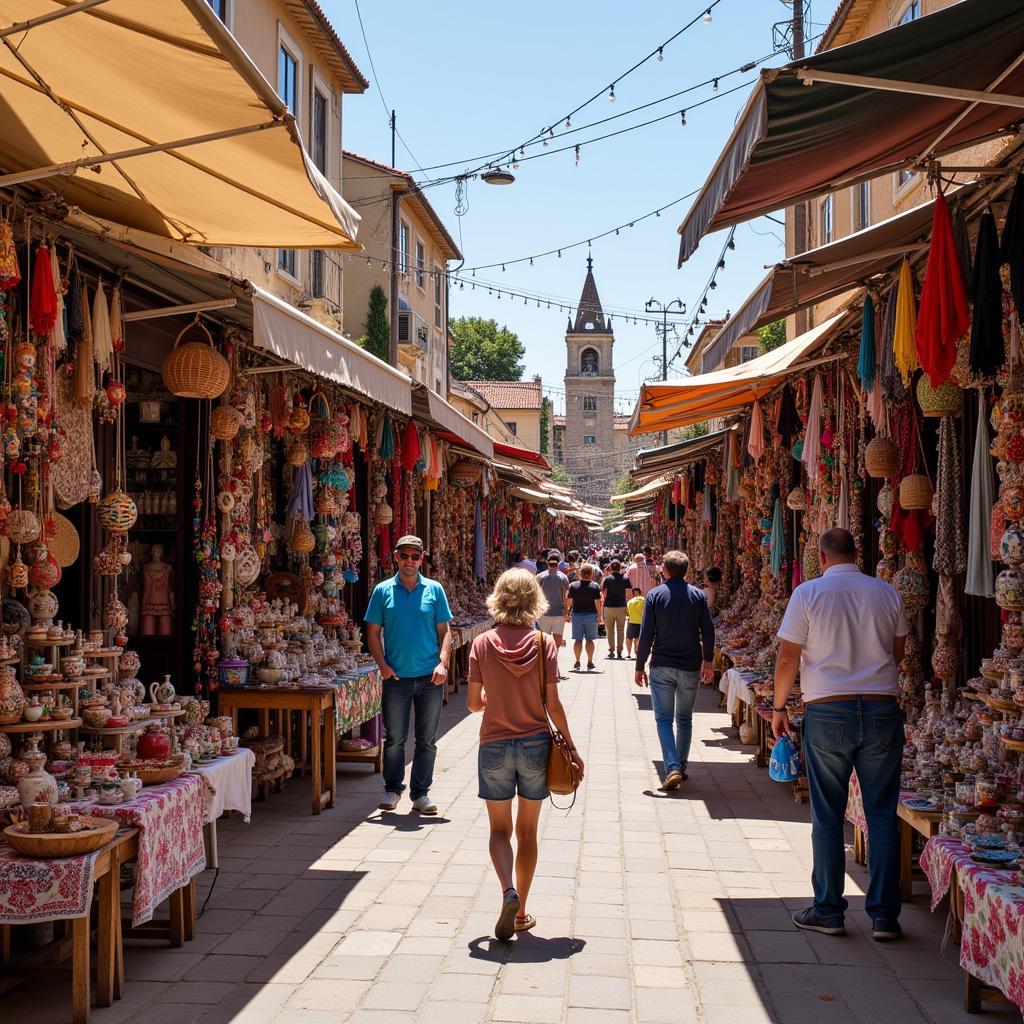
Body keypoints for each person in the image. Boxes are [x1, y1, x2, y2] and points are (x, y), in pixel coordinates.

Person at [773, 527, 908, 942]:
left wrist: (779, 708)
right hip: (882, 707)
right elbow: (898, 650)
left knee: (827, 813)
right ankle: (884, 916)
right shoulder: (886, 592)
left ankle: (830, 909)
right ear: (857, 554)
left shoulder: (808, 593)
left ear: (822, 556)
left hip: (828, 711)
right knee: (882, 814)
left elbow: (789, 655)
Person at [467, 569, 584, 940]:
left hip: (494, 745)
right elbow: (553, 702)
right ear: (534, 599)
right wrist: (573, 747)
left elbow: (473, 704)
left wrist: (492, 698)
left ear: (499, 598)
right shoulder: (543, 642)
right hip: (535, 745)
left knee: (499, 830)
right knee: (527, 832)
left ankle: (507, 892)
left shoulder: (482, 644)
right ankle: (522, 914)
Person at [365, 535, 453, 814]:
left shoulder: (435, 590)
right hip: (396, 679)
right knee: (394, 739)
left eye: (415, 556)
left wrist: (443, 662)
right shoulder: (382, 591)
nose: (410, 561)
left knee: (426, 740)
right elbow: (372, 633)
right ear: (395, 557)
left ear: (421, 559)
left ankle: (421, 794)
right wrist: (382, 665)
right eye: (405, 556)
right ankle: (392, 790)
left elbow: (445, 631)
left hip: (429, 678)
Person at [635, 550, 714, 790]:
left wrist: (639, 665)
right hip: (690, 665)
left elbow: (646, 633)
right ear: (686, 571)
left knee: (663, 719)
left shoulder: (655, 596)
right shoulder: (698, 596)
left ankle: (672, 767)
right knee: (684, 719)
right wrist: (708, 661)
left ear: (665, 570)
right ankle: (679, 765)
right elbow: (708, 631)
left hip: (662, 665)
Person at [536, 555, 570, 678]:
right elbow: (567, 596)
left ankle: (544, 667)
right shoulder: (563, 577)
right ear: (558, 563)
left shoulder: (540, 576)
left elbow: (535, 593)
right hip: (559, 613)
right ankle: (554, 666)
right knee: (557, 641)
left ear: (547, 563)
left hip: (543, 613)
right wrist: (567, 611)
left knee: (543, 641)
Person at [565, 563, 602, 672]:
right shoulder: (595, 586)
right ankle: (590, 661)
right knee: (590, 640)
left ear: (580, 573)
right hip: (591, 615)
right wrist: (599, 616)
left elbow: (569, 602)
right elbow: (597, 603)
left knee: (578, 640)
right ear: (591, 574)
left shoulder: (573, 586)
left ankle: (577, 660)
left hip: (577, 615)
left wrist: (567, 613)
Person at [601, 559, 629, 659]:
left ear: (611, 568)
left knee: (610, 630)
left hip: (609, 606)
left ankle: (611, 650)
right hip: (621, 606)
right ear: (620, 568)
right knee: (621, 629)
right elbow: (629, 593)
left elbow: (603, 593)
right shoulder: (625, 578)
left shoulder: (607, 579)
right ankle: (620, 650)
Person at [625, 586, 645, 660]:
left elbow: (628, 613)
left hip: (632, 622)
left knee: (629, 638)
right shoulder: (643, 600)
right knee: (637, 639)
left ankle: (628, 654)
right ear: (640, 593)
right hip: (640, 623)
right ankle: (637, 654)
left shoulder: (630, 602)